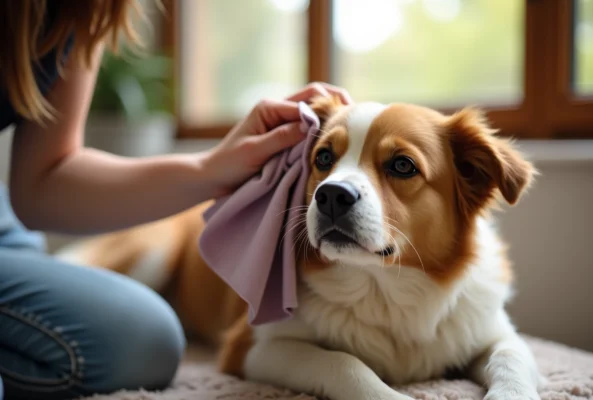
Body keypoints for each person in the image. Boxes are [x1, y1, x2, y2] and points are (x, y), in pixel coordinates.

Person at [0, 1, 351, 399]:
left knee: (143, 343)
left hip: (4, 226)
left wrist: (212, 168)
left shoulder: (81, 10)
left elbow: (43, 184)